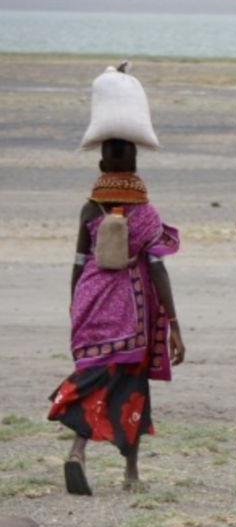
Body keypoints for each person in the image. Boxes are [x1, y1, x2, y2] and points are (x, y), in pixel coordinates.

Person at [49, 138, 183, 495]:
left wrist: (75, 303)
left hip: (91, 300)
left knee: (94, 376)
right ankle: (132, 473)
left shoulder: (91, 209)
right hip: (133, 313)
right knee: (132, 388)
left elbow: (78, 262)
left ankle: (78, 452)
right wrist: (174, 324)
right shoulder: (146, 214)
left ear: (101, 165)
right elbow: (157, 269)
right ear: (135, 164)